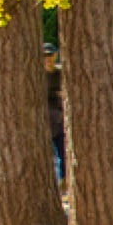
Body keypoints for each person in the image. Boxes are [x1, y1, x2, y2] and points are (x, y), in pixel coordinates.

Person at [45, 42, 66, 182]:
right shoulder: (35, 77)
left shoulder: (60, 73)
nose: (48, 59)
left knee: (63, 156)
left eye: (51, 55)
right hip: (45, 122)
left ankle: (63, 184)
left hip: (60, 122)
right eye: (45, 56)